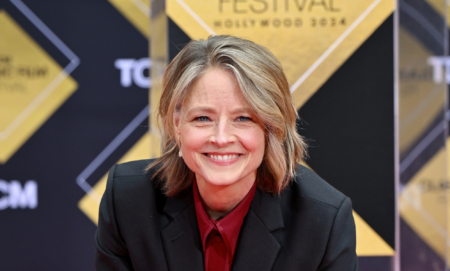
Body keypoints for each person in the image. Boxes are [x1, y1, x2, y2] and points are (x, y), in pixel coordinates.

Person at [95, 35, 357, 271]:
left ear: (271, 129)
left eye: (243, 118)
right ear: (177, 124)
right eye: (202, 118)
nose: (221, 138)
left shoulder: (322, 220)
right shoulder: (128, 201)